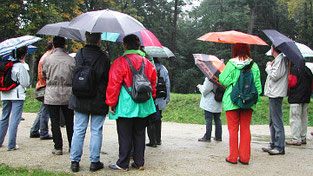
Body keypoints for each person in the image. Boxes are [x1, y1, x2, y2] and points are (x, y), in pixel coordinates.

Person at [106, 34, 157, 171]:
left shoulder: (120, 61)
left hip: (126, 103)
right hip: (143, 103)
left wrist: (111, 102)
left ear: (125, 46)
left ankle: (123, 164)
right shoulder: (147, 62)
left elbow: (114, 83)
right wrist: (152, 96)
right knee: (140, 133)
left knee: (124, 134)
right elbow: (153, 83)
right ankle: (139, 163)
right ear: (139, 46)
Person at [69, 32, 111, 172]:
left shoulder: (79, 54)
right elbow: (107, 77)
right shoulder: (104, 57)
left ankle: (75, 161)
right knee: (96, 130)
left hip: (80, 96)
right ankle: (94, 161)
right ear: (99, 40)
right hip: (98, 98)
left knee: (79, 130)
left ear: (86, 39)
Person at [219, 43, 262, 165]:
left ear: (235, 51)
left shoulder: (231, 64)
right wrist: (254, 101)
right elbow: (258, 87)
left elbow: (223, 80)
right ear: (248, 51)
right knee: (245, 129)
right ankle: (244, 158)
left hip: (232, 100)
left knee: (233, 130)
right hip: (248, 102)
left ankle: (232, 157)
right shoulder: (254, 66)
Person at [42, 36, 75, 155]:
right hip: (68, 93)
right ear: (65, 45)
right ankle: (72, 145)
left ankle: (58, 147)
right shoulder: (71, 60)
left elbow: (45, 74)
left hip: (52, 92)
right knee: (70, 121)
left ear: (54, 45)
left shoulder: (48, 59)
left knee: (54, 121)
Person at [0, 46, 30, 150]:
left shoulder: (5, 65)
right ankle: (11, 144)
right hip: (17, 95)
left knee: (4, 117)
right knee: (14, 119)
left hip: (5, 94)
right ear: (23, 54)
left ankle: (0, 141)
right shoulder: (20, 66)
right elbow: (26, 82)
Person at [262, 45, 288, 155]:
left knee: (277, 121)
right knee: (272, 121)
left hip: (276, 94)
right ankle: (273, 143)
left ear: (273, 49)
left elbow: (275, 75)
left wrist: (268, 67)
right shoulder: (278, 60)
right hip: (273, 93)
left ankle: (279, 146)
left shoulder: (281, 60)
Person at [30, 41, 53, 140]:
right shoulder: (48, 58)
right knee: (45, 110)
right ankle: (43, 132)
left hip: (41, 85)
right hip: (45, 86)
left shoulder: (44, 56)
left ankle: (34, 130)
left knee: (42, 109)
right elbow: (46, 74)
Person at [285, 63, 313, 146]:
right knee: (304, 117)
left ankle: (296, 138)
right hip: (306, 97)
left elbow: (291, 83)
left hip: (296, 97)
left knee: (295, 118)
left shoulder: (294, 70)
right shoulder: (308, 70)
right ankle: (303, 137)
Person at [146, 58, 170, 147]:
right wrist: (167, 98)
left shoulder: (148, 66)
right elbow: (167, 84)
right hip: (161, 96)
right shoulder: (164, 69)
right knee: (158, 118)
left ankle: (152, 141)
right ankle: (158, 139)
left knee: (150, 119)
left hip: (151, 97)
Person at [196, 78, 222, 142]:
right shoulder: (222, 77)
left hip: (210, 101)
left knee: (208, 119)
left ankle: (207, 137)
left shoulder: (210, 78)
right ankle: (218, 136)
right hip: (218, 100)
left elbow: (206, 90)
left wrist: (200, 87)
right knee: (217, 119)